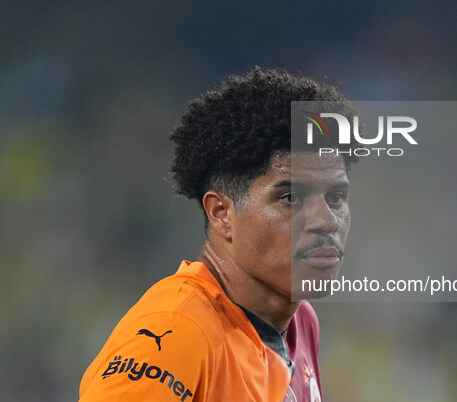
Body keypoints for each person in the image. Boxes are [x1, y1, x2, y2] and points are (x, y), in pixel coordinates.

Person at [79, 67, 358, 401]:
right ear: (221, 214)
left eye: (336, 198)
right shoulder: (176, 330)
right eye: (292, 198)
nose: (326, 221)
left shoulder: (299, 323)